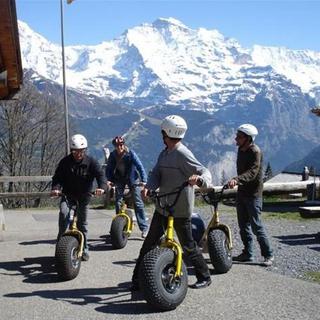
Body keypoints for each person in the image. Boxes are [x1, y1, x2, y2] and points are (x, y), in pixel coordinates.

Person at [131, 115, 212, 291]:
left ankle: (205, 276)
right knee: (149, 244)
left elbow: (204, 171)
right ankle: (137, 279)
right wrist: (149, 187)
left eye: (162, 132)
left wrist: (200, 179)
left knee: (188, 246)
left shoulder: (182, 153)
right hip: (163, 206)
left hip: (181, 208)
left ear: (166, 133)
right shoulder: (164, 153)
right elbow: (156, 174)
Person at [51, 134, 106, 261]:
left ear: (85, 150)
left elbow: (101, 176)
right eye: (76, 151)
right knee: (64, 216)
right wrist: (56, 188)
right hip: (68, 195)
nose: (78, 154)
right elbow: (57, 177)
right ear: (71, 150)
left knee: (82, 224)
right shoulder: (65, 162)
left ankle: (85, 248)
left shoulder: (91, 162)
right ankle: (60, 248)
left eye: (81, 151)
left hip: (84, 196)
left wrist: (101, 188)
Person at [227, 124, 274, 267]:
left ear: (248, 139)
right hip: (242, 193)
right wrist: (238, 182)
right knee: (243, 226)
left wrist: (237, 180)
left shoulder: (255, 152)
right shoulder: (241, 149)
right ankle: (248, 253)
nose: (236, 139)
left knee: (256, 226)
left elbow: (253, 172)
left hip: (253, 194)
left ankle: (268, 255)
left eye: (239, 137)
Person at [105, 136, 149, 237]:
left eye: (121, 144)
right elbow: (109, 169)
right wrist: (109, 180)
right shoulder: (113, 155)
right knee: (118, 202)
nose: (119, 147)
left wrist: (144, 181)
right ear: (115, 146)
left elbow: (140, 166)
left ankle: (144, 228)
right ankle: (119, 226)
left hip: (132, 179)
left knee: (137, 202)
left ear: (124, 144)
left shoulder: (130, 153)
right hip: (119, 179)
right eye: (117, 145)